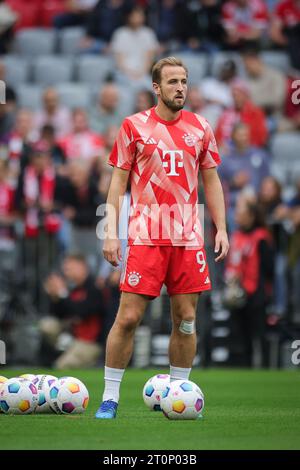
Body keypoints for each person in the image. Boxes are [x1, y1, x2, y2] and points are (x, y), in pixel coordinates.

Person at [95, 56, 229, 419]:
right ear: (156, 88)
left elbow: (211, 180)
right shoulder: (133, 126)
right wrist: (110, 233)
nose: (180, 87)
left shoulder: (201, 127)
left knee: (186, 319)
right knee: (127, 318)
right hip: (145, 236)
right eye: (172, 82)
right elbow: (117, 185)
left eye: (184, 81)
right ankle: (110, 398)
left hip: (187, 237)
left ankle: (178, 394)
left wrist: (222, 227)